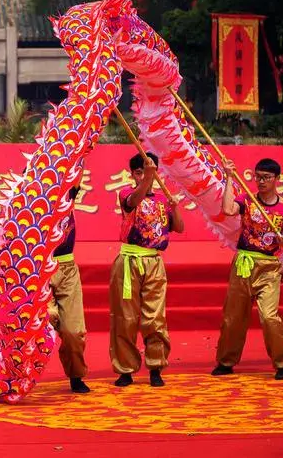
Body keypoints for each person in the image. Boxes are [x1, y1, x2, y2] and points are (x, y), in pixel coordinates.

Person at [211, 158, 283, 380]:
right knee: (233, 316)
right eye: (257, 176)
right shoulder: (247, 200)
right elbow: (227, 209)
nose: (260, 181)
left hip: (269, 267)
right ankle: (226, 362)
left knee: (269, 316)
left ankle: (282, 363)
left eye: (266, 177)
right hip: (244, 264)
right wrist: (229, 177)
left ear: (277, 179)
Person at [109, 152, 184, 388]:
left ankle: (156, 366)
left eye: (148, 171)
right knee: (125, 317)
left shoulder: (163, 199)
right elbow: (135, 201)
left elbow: (179, 228)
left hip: (154, 263)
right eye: (139, 172)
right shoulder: (126, 194)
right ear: (133, 173)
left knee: (155, 317)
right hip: (129, 261)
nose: (144, 176)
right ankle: (125, 369)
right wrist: (147, 178)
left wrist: (176, 208)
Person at [47, 185, 90, 393]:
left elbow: (77, 166)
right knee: (45, 320)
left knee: (73, 331)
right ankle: (18, 377)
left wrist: (84, 151)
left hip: (67, 269)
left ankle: (76, 375)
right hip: (38, 270)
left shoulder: (66, 192)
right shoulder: (25, 204)